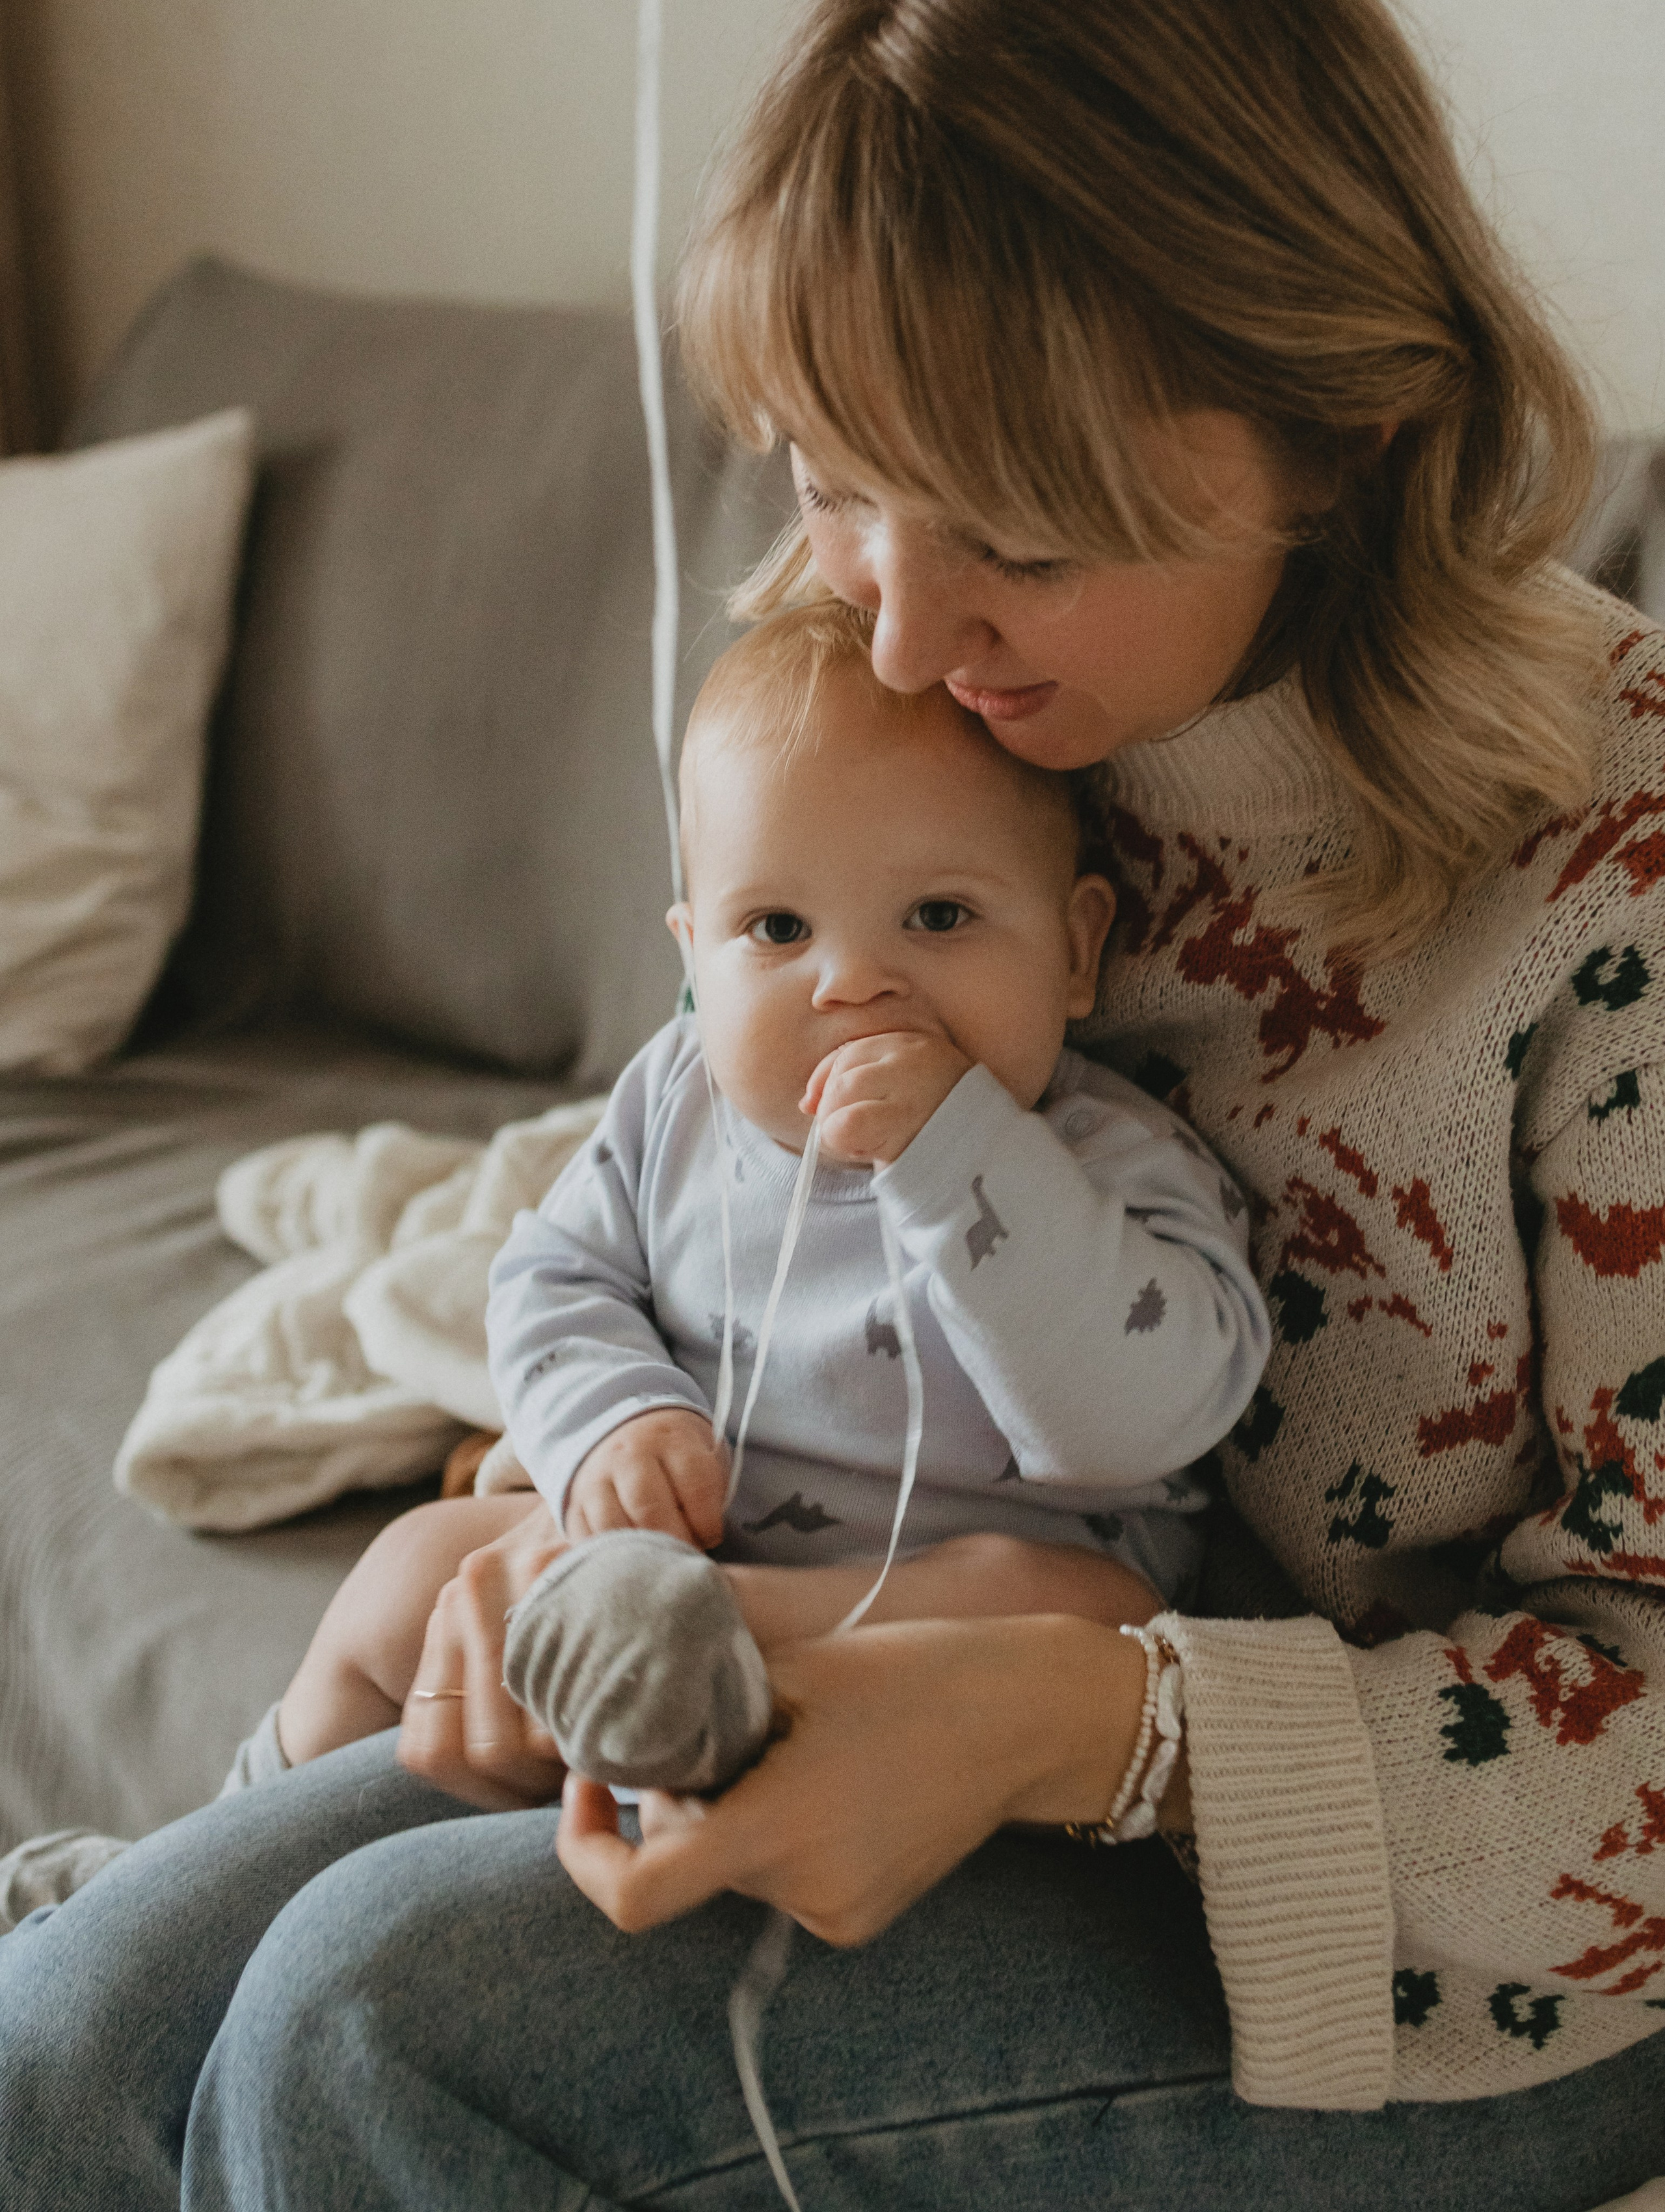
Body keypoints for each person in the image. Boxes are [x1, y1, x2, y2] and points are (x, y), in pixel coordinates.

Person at [3, 0, 1664, 2204]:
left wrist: (1082, 1722)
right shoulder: (905, 670)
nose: (888, 635)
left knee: (377, 2029)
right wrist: (592, 1474)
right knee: (70, 2035)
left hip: (1427, 1940)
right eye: (829, 478)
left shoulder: (1610, 855)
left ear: (1340, 431)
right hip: (832, 1656)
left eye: (1018, 533)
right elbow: (692, 1171)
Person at [219, 602, 1264, 1786]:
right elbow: (555, 1277)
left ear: (1077, 950)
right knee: (408, 1571)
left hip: (933, 1632)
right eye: (777, 927)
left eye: (940, 916)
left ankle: (700, 1660)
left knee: (1085, 1608)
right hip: (682, 1556)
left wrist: (961, 1156)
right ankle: (208, 1826)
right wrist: (618, 1420)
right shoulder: (676, 1101)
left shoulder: (1112, 1158)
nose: (856, 981)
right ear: (692, 959)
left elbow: (1145, 1417)